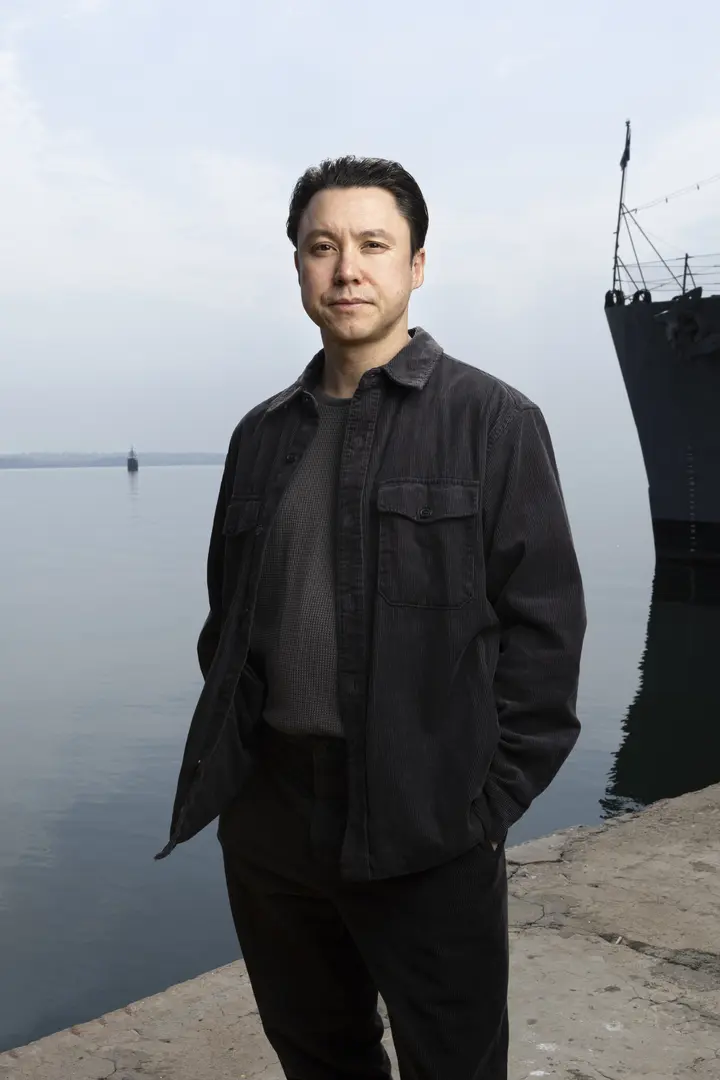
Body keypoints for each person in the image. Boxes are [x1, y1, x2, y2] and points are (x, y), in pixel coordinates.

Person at [157, 156, 587, 1079]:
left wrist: (485, 807)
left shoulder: (494, 422)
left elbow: (545, 635)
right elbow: (226, 624)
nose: (346, 268)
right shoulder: (260, 435)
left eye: (373, 244)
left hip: (426, 819)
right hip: (272, 818)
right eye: (323, 246)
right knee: (318, 1055)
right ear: (299, 268)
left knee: (454, 1063)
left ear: (416, 265)